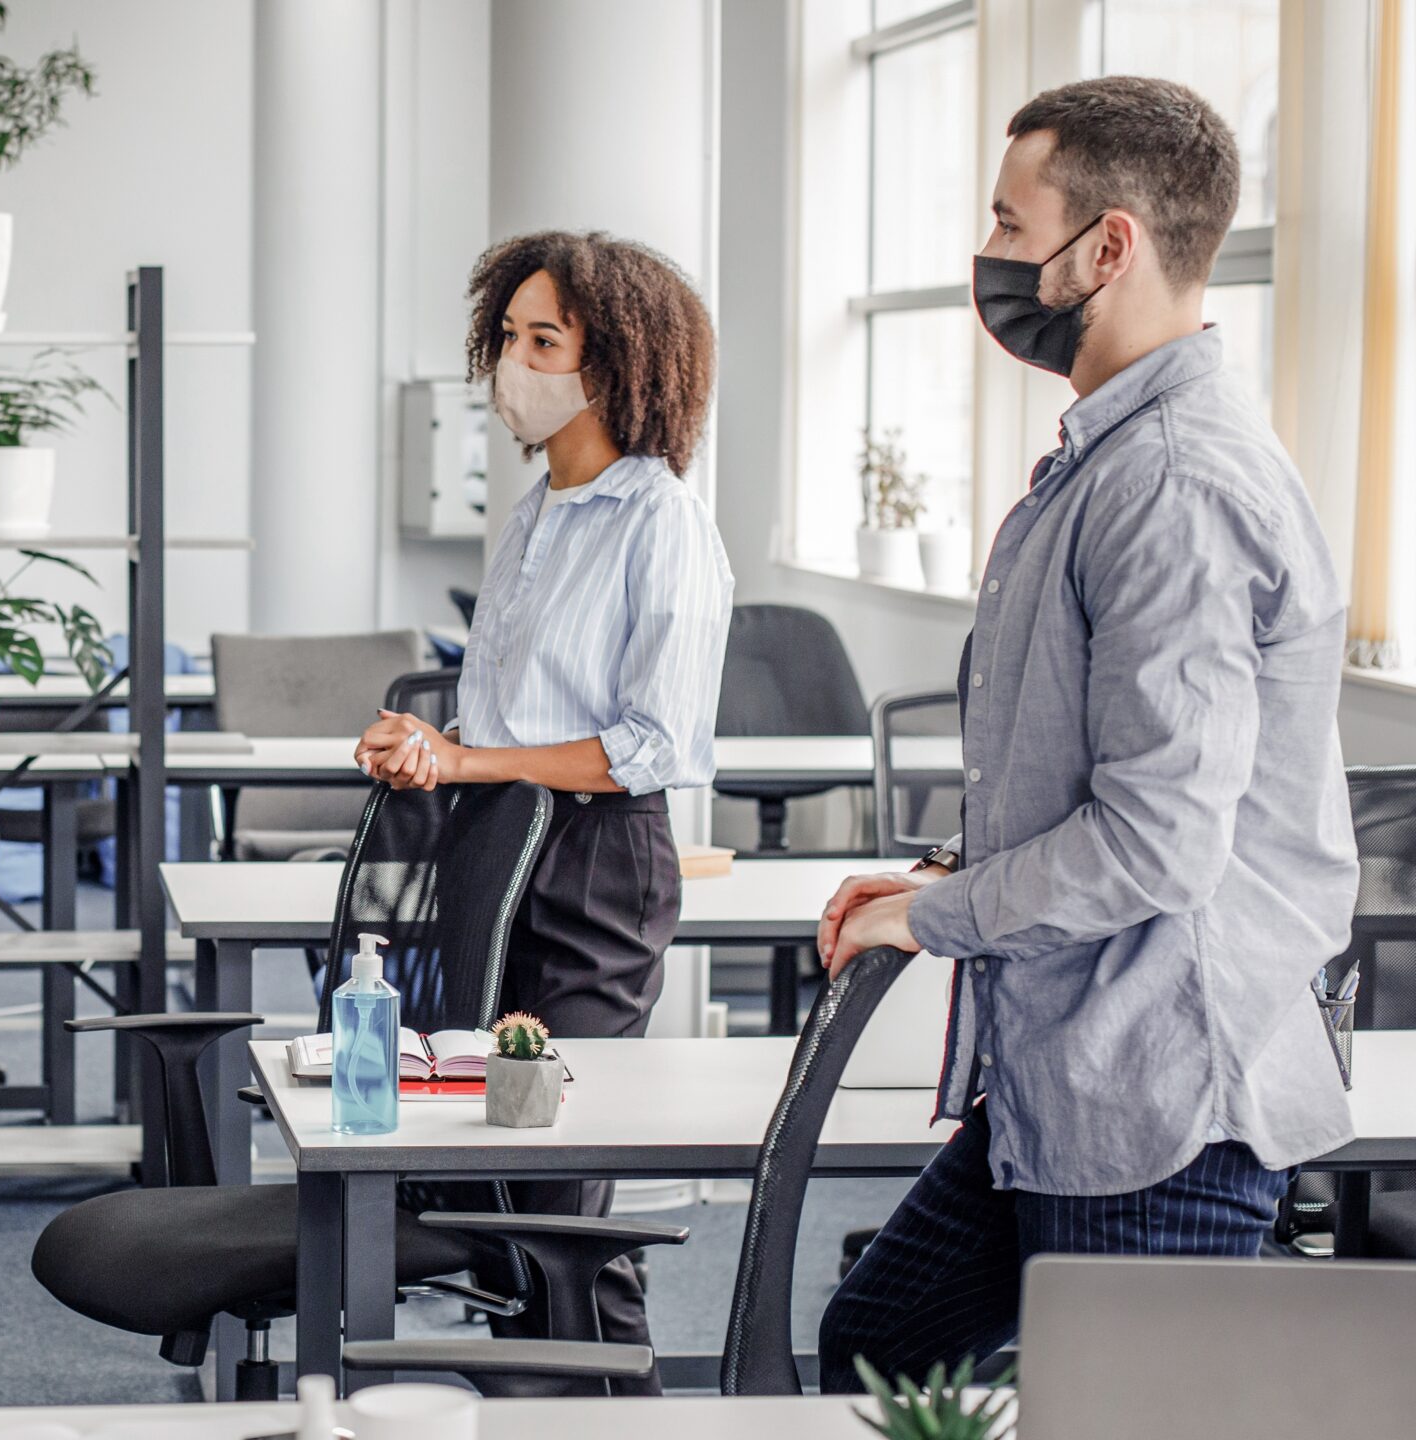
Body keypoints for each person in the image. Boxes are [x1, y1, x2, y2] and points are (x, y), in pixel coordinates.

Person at [814, 77, 1356, 1391]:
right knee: (881, 1347)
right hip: (1077, 1075)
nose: (992, 255)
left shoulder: (1171, 479)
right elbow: (1085, 774)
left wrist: (929, 920)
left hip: (1161, 1093)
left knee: (1108, 1415)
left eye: (1011, 220)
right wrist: (946, 879)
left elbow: (1159, 843)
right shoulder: (1112, 456)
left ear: (1106, 246)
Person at [355, 231, 732, 1390]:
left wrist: (467, 765)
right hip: (499, 845)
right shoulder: (536, 514)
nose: (509, 364)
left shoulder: (657, 521)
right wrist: (430, 752)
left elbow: (651, 747)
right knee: (496, 1172)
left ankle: (616, 1406)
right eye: (507, 337)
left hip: (591, 866)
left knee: (560, 1184)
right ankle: (532, 1404)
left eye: (540, 341)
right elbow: (505, 722)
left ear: (614, 362)